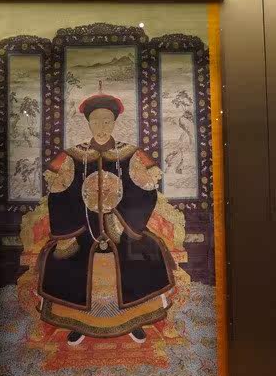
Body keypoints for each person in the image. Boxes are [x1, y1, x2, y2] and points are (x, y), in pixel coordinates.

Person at [36, 85, 176, 345]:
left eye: (107, 121)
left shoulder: (130, 154)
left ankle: (133, 319)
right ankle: (78, 321)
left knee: (145, 254)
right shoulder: (73, 156)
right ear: (88, 123)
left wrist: (124, 221)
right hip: (82, 224)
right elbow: (59, 195)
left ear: (114, 122)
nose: (101, 127)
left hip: (123, 223)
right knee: (64, 261)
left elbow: (147, 192)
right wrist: (69, 232)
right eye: (96, 121)